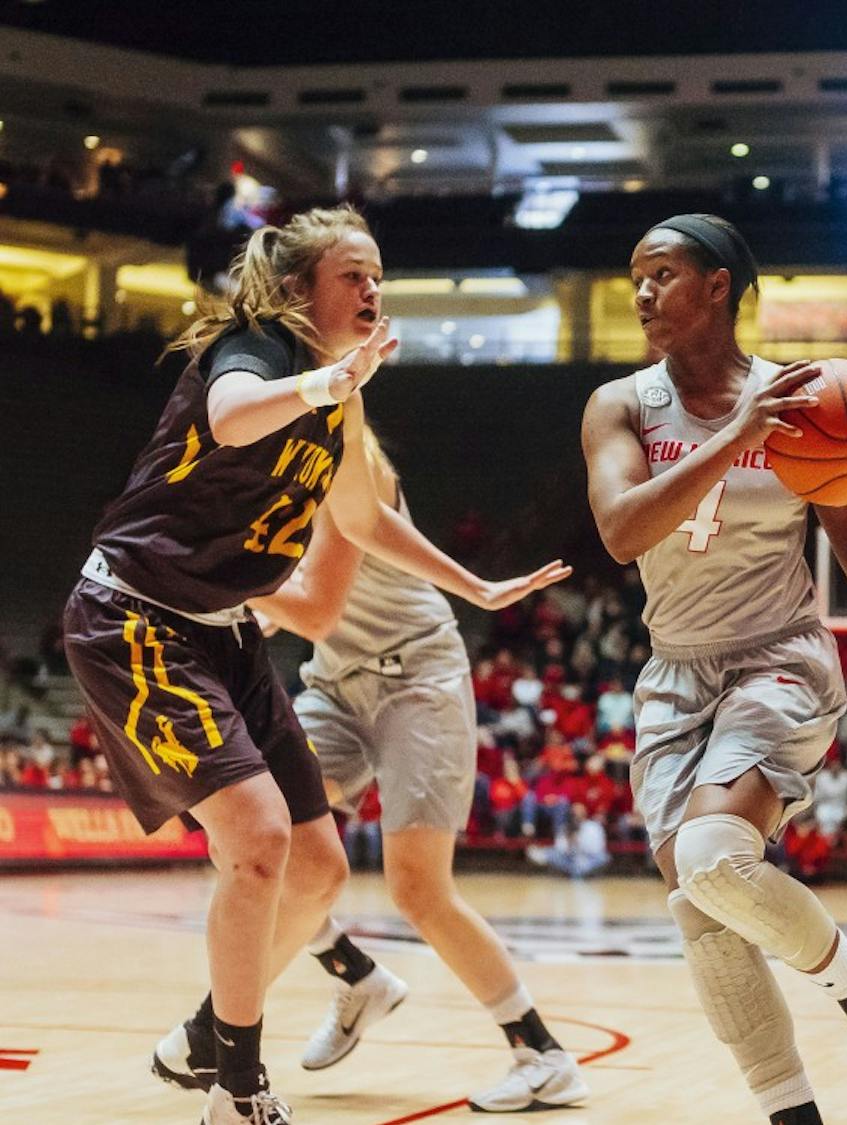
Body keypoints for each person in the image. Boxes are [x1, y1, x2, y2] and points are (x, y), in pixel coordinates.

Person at [63, 205, 543, 1125]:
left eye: (377, 276)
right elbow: (231, 417)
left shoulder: (339, 391)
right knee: (257, 839)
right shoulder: (259, 350)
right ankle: (238, 1086)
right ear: (298, 291)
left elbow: (363, 520)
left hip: (222, 625)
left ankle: (219, 1051)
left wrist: (472, 586)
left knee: (318, 867)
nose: (373, 290)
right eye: (353, 275)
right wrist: (327, 381)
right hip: (133, 614)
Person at [580, 213, 847, 1125]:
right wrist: (733, 434)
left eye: (661, 273)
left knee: (710, 853)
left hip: (778, 656)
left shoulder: (805, 398)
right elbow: (622, 533)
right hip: (674, 675)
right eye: (636, 274)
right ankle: (794, 1113)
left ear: (719, 288)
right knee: (702, 910)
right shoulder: (620, 404)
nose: (643, 292)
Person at [245, 428, 585, 1112]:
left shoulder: (348, 459)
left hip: (417, 679)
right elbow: (286, 609)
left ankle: (543, 1054)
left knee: (418, 888)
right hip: (337, 686)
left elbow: (313, 603)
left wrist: (222, 584)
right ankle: (354, 973)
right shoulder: (270, 475)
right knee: (258, 832)